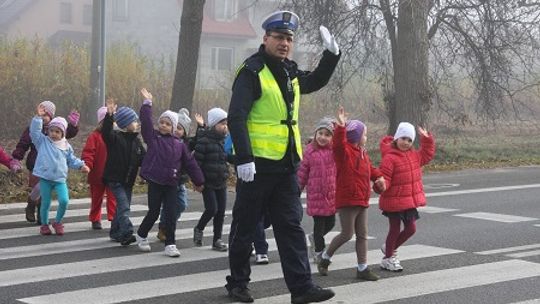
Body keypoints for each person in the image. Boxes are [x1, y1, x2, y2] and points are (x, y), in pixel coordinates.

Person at [226, 10, 341, 304]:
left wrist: (331, 55)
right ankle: (238, 283)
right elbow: (236, 117)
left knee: (290, 227)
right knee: (245, 226)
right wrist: (244, 159)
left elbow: (314, 81)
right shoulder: (251, 71)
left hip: (287, 164)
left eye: (289, 38)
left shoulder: (290, 72)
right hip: (257, 166)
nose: (284, 43)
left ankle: (301, 288)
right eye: (279, 37)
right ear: (266, 39)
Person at [316, 107, 385, 281]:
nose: (366, 138)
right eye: (365, 134)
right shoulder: (344, 152)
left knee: (362, 234)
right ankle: (325, 258)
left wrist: (379, 177)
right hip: (347, 200)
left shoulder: (363, 153)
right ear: (357, 137)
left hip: (362, 198)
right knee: (347, 234)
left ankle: (362, 268)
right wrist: (340, 127)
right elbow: (338, 144)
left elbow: (370, 169)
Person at [135, 88, 204, 257]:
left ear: (173, 128)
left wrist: (199, 181)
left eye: (168, 123)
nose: (164, 125)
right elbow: (145, 121)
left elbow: (190, 163)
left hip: (172, 183)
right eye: (162, 122)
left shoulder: (180, 145)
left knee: (171, 214)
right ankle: (142, 234)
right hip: (156, 182)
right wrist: (147, 104)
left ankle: (170, 244)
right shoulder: (153, 138)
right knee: (153, 212)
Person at [377, 122, 435, 272]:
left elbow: (427, 155)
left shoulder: (414, 156)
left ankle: (389, 248)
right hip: (394, 200)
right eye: (403, 138)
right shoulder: (389, 158)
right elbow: (386, 177)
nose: (406, 143)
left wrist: (427, 139)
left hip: (408, 201)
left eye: (410, 140)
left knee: (411, 229)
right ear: (396, 138)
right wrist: (381, 185)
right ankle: (388, 259)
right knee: (394, 230)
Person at [12, 100, 79, 224]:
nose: (43, 118)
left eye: (46, 115)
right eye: (41, 115)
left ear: (51, 116)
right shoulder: (33, 128)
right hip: (35, 164)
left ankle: (41, 215)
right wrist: (16, 158)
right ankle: (31, 205)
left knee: (44, 192)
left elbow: (67, 133)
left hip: (51, 167)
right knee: (37, 189)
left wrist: (73, 125)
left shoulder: (54, 129)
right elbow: (23, 143)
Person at [29, 105, 89, 235]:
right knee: (45, 202)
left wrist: (81, 165)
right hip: (45, 178)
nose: (54, 134)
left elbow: (71, 160)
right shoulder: (43, 142)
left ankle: (57, 222)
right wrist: (38, 117)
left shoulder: (66, 146)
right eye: (52, 131)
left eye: (57, 132)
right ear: (48, 131)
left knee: (64, 200)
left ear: (63, 133)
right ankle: (44, 225)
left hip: (59, 179)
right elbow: (34, 133)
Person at [101, 100, 145, 246]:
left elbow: (144, 159)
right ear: (126, 124)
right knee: (124, 206)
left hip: (128, 181)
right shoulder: (115, 137)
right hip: (115, 179)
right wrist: (109, 116)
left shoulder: (136, 141)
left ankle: (115, 232)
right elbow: (105, 132)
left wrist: (146, 174)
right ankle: (127, 232)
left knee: (122, 207)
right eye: (134, 121)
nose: (137, 123)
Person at [297, 117, 337, 264]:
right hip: (316, 195)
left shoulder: (334, 151)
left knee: (331, 223)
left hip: (331, 195)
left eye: (327, 135)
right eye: (320, 133)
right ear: (315, 133)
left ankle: (313, 238)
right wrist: (297, 189)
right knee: (319, 226)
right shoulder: (310, 151)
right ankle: (319, 253)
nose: (323, 137)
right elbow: (302, 172)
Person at [193, 107, 230, 252]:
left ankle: (217, 240)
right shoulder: (204, 141)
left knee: (220, 212)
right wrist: (198, 182)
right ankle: (199, 227)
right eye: (222, 124)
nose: (225, 127)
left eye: (226, 124)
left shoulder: (222, 141)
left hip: (221, 181)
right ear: (214, 125)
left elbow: (224, 159)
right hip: (207, 182)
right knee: (212, 209)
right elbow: (196, 163)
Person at [156, 108, 193, 242]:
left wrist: (201, 127)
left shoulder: (185, 144)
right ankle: (164, 227)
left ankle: (167, 223)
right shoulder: (167, 141)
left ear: (184, 133)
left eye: (180, 128)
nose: (177, 130)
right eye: (175, 127)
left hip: (180, 180)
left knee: (181, 204)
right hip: (169, 181)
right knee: (168, 205)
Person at [81, 106, 117, 230]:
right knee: (97, 198)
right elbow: (89, 152)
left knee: (113, 197)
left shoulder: (116, 136)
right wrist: (87, 165)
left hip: (113, 173)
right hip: (97, 174)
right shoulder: (94, 136)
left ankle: (113, 218)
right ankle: (95, 218)